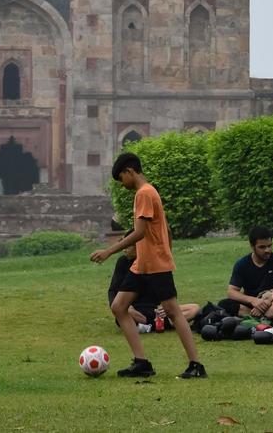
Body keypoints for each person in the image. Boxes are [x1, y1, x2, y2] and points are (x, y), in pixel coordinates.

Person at [89, 152, 206, 379]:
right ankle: (142, 362)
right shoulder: (147, 192)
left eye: (121, 178)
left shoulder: (144, 193)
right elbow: (166, 229)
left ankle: (196, 364)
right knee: (119, 307)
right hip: (141, 264)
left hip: (155, 264)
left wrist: (109, 251)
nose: (122, 185)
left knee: (173, 311)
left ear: (129, 171)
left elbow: (140, 232)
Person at [226, 226, 273, 320]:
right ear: (252, 247)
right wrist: (253, 300)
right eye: (262, 247)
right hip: (252, 305)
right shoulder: (242, 264)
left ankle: (258, 318)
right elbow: (231, 292)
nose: (267, 250)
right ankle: (264, 318)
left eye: (269, 246)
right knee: (225, 304)